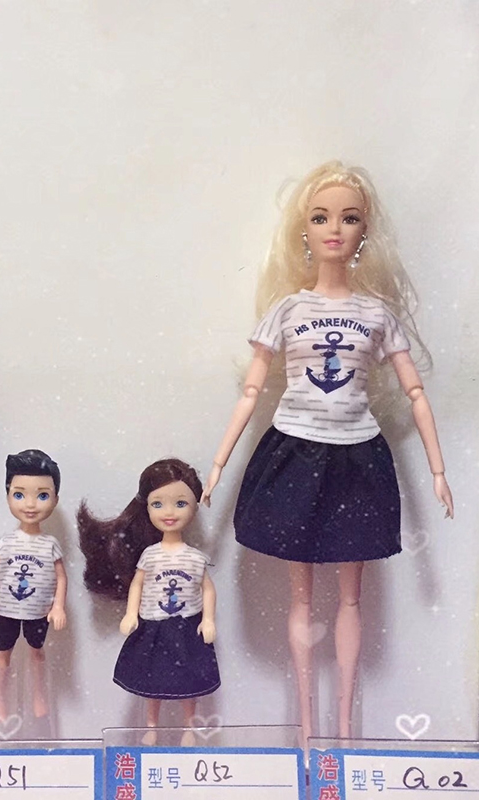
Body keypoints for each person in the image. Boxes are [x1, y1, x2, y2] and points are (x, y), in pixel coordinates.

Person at [201, 161, 454, 742]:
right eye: (320, 217)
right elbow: (250, 393)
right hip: (294, 450)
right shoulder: (288, 310)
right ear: (304, 231)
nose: (334, 229)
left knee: (350, 599)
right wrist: (217, 464)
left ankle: (343, 731)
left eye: (348, 217)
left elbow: (415, 392)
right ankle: (308, 730)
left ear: (365, 231)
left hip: (357, 456)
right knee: (300, 597)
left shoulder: (377, 313)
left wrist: (438, 470)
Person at [79, 458, 219, 745]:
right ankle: (151, 726)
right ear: (147, 508)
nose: (169, 512)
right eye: (158, 504)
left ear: (195, 506)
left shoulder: (195, 557)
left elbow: (207, 589)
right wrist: (131, 614)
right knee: (151, 681)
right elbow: (138, 584)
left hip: (186, 626)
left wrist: (208, 619)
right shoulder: (150, 555)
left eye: (180, 503)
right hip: (153, 626)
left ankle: (189, 727)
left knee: (188, 683)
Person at [0, 449, 67, 719]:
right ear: (8, 496)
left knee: (37, 652)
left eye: (42, 496)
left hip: (38, 612)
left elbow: (61, 577)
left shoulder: (50, 544)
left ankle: (39, 695)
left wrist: (58, 607)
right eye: (19, 495)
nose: (30, 504)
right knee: (2, 654)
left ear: (55, 499)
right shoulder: (5, 542)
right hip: (5, 611)